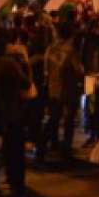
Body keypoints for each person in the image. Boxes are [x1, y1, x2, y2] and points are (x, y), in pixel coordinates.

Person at [0, 39, 33, 197]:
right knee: (15, 153)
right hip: (11, 114)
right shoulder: (10, 65)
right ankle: (16, 185)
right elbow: (26, 83)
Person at [38, 23, 83, 163]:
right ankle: (66, 150)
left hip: (53, 88)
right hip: (68, 90)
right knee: (69, 121)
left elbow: (45, 69)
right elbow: (79, 71)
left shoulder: (50, 49)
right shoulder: (71, 51)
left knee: (53, 119)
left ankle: (42, 148)